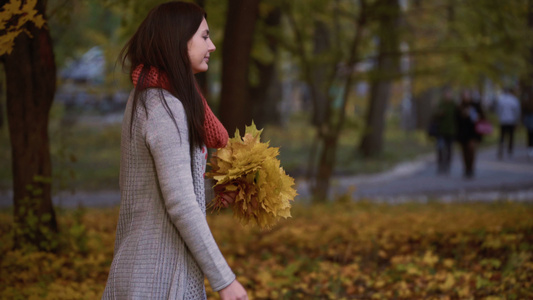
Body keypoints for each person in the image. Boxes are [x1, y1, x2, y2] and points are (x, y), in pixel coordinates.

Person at [102, 2, 248, 299]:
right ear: (179, 40)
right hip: (157, 279)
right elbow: (180, 204)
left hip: (143, 270)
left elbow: (162, 192)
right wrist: (225, 280)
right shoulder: (164, 107)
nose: (213, 46)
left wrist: (219, 190)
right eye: (205, 36)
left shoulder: (148, 98)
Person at [456, 90, 485, 178]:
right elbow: (456, 120)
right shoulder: (459, 107)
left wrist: (477, 116)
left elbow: (482, 116)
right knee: (464, 151)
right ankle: (466, 168)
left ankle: (471, 168)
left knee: (471, 149)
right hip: (463, 132)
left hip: (473, 132)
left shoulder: (475, 106)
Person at [429, 88, 457, 174]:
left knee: (449, 149)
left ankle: (447, 165)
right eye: (446, 94)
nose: (447, 96)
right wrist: (438, 113)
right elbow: (433, 116)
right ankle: (440, 165)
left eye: (449, 94)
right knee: (440, 149)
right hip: (440, 131)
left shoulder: (453, 105)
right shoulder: (440, 105)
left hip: (451, 131)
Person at [495, 87, 521, 159]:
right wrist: (517, 120)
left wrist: (499, 117)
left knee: (502, 135)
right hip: (511, 120)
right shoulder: (514, 100)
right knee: (511, 136)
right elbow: (517, 111)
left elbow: (498, 110)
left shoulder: (501, 99)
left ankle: (501, 148)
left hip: (503, 120)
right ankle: (509, 150)